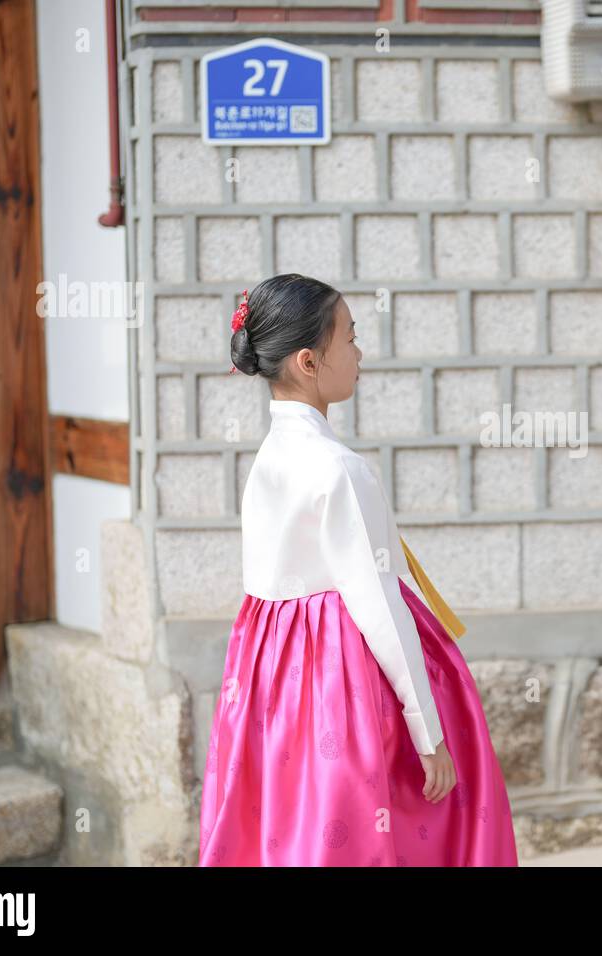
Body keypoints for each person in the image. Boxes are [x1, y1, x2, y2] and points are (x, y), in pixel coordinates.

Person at [198, 273, 519, 866]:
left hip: (274, 687)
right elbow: (379, 607)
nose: (359, 352)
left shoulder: (268, 461)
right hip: (340, 684)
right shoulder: (338, 469)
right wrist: (430, 736)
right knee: (414, 819)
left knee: (294, 831)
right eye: (349, 337)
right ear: (309, 362)